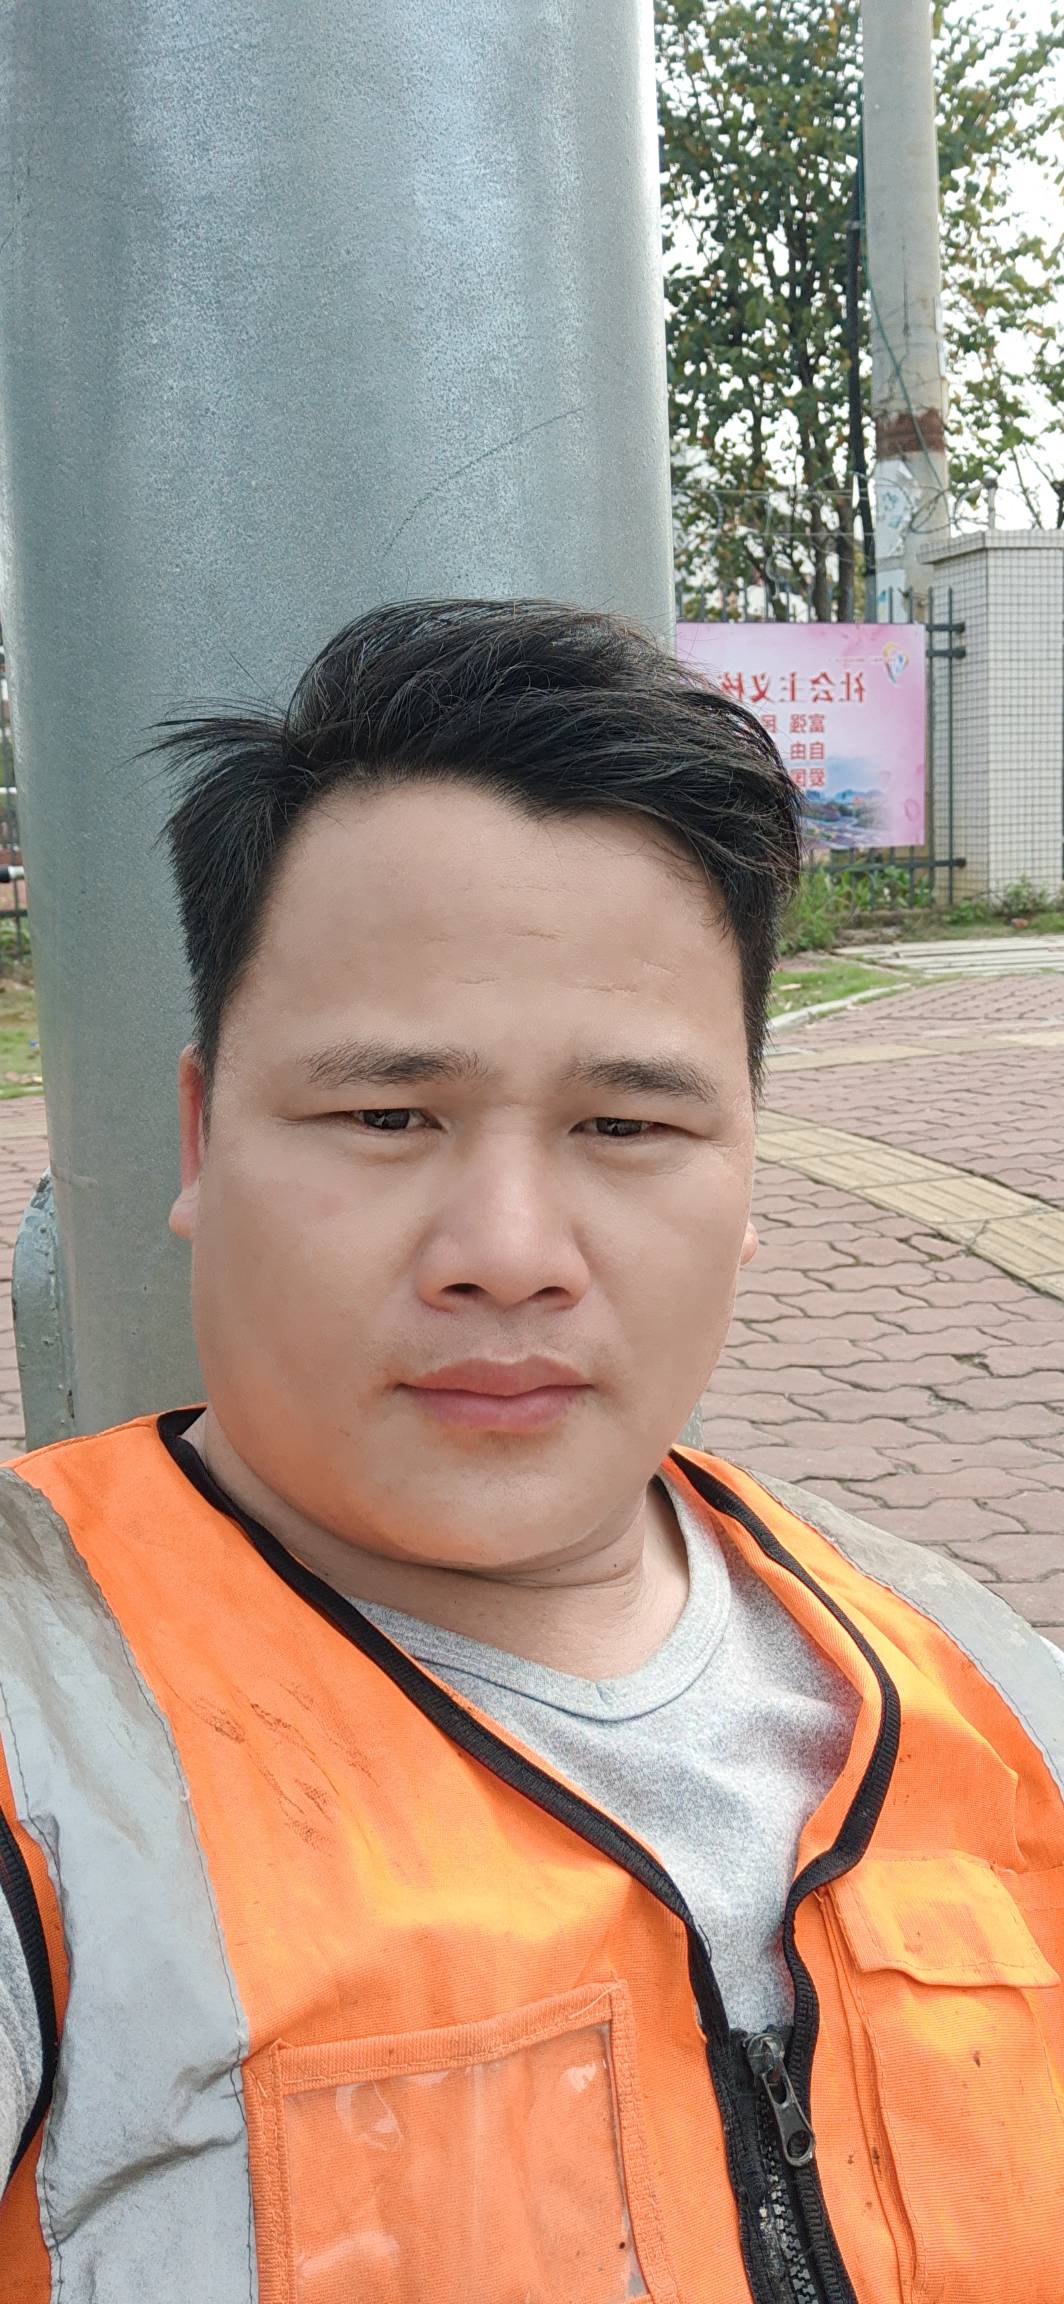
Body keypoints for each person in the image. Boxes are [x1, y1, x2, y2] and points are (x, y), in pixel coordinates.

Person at [0, 599, 1060, 2304]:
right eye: (386, 1115)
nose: (507, 1252)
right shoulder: (38, 1729)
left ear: (745, 1173)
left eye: (626, 1124)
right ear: (201, 1141)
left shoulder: (982, 1672)